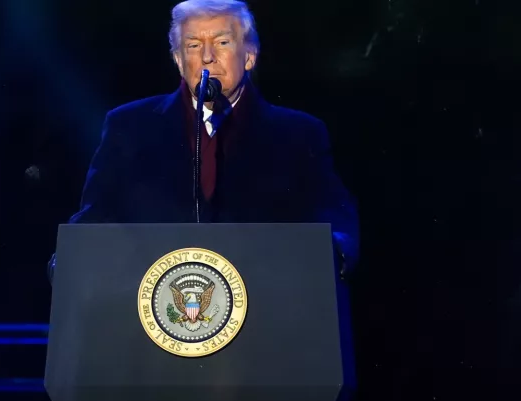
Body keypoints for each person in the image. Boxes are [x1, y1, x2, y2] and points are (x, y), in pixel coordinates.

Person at [53, 0, 359, 277]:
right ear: (177, 59)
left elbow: (332, 214)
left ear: (249, 56)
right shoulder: (128, 126)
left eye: (222, 42)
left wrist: (334, 251)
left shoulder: (299, 133)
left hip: (267, 310)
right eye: (194, 45)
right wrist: (68, 261)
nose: (208, 57)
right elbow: (96, 217)